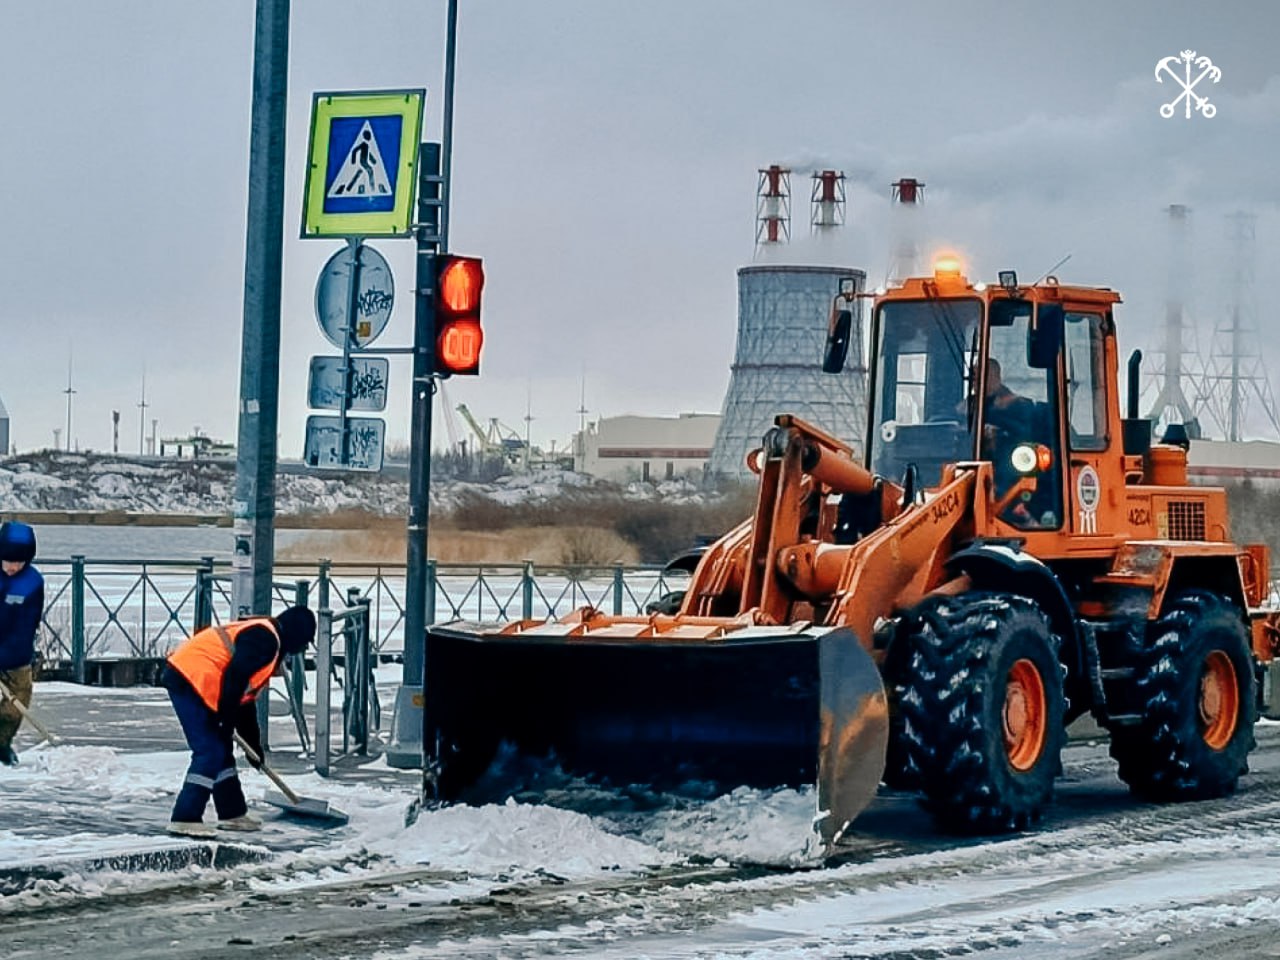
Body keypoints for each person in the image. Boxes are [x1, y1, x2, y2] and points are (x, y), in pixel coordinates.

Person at [162, 605, 316, 837]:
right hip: (189, 679)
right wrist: (225, 718)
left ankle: (232, 813)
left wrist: (253, 745)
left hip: (200, 681)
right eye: (304, 642)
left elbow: (245, 701)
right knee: (210, 751)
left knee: (221, 749)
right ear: (296, 635)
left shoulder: (269, 642)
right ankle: (185, 817)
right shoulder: (265, 640)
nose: (302, 649)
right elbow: (234, 677)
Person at [0, 521, 44, 767]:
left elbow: (26, 625)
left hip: (15, 653)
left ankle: (1, 743)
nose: (12, 567)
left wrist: (8, 655)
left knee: (17, 701)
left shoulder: (32, 583)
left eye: (18, 562)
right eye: (7, 561)